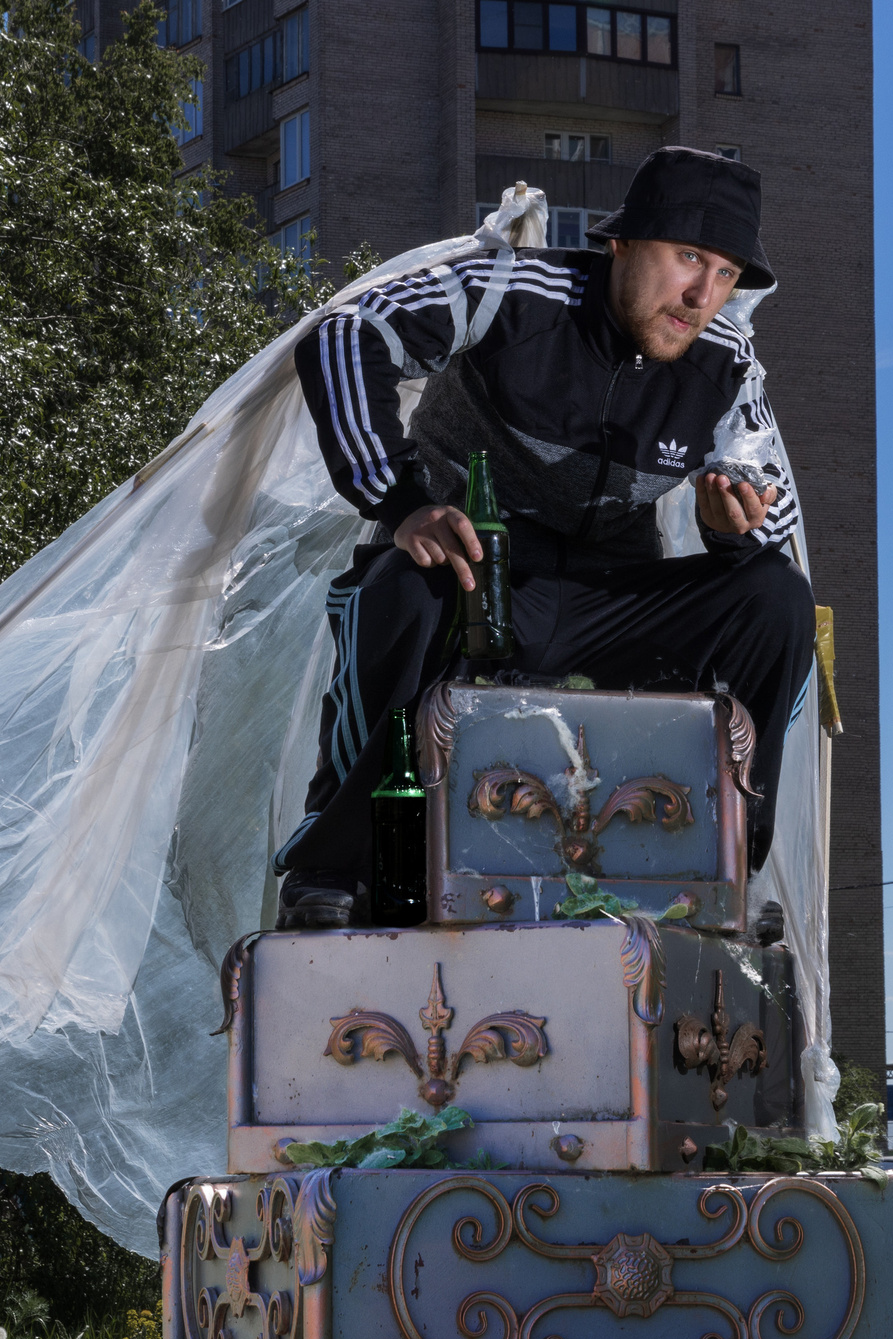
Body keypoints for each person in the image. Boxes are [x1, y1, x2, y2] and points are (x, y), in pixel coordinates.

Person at [277, 146, 815, 929]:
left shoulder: (725, 360)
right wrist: (401, 504)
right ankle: (337, 864)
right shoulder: (512, 290)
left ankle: (726, 864)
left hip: (614, 603)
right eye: (688, 257)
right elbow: (342, 336)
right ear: (621, 244)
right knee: (402, 581)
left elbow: (773, 513)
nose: (703, 294)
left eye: (728, 274)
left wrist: (728, 530)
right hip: (478, 585)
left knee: (776, 600)